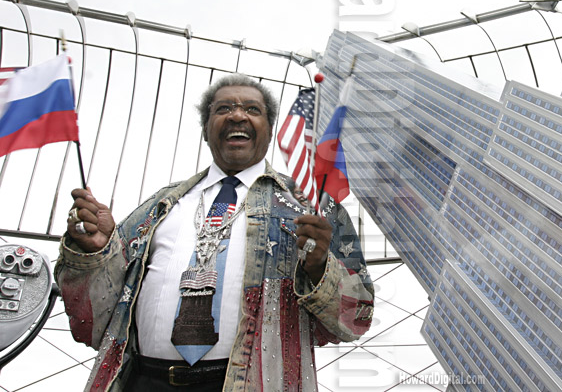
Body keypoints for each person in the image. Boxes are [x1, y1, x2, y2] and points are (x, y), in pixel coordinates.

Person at [55, 74, 374, 392]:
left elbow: (356, 319)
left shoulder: (311, 207)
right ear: (206, 131)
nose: (238, 115)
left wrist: (319, 269)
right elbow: (93, 322)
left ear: (269, 128)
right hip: (142, 381)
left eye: (252, 109)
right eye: (224, 109)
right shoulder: (160, 206)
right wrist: (97, 253)